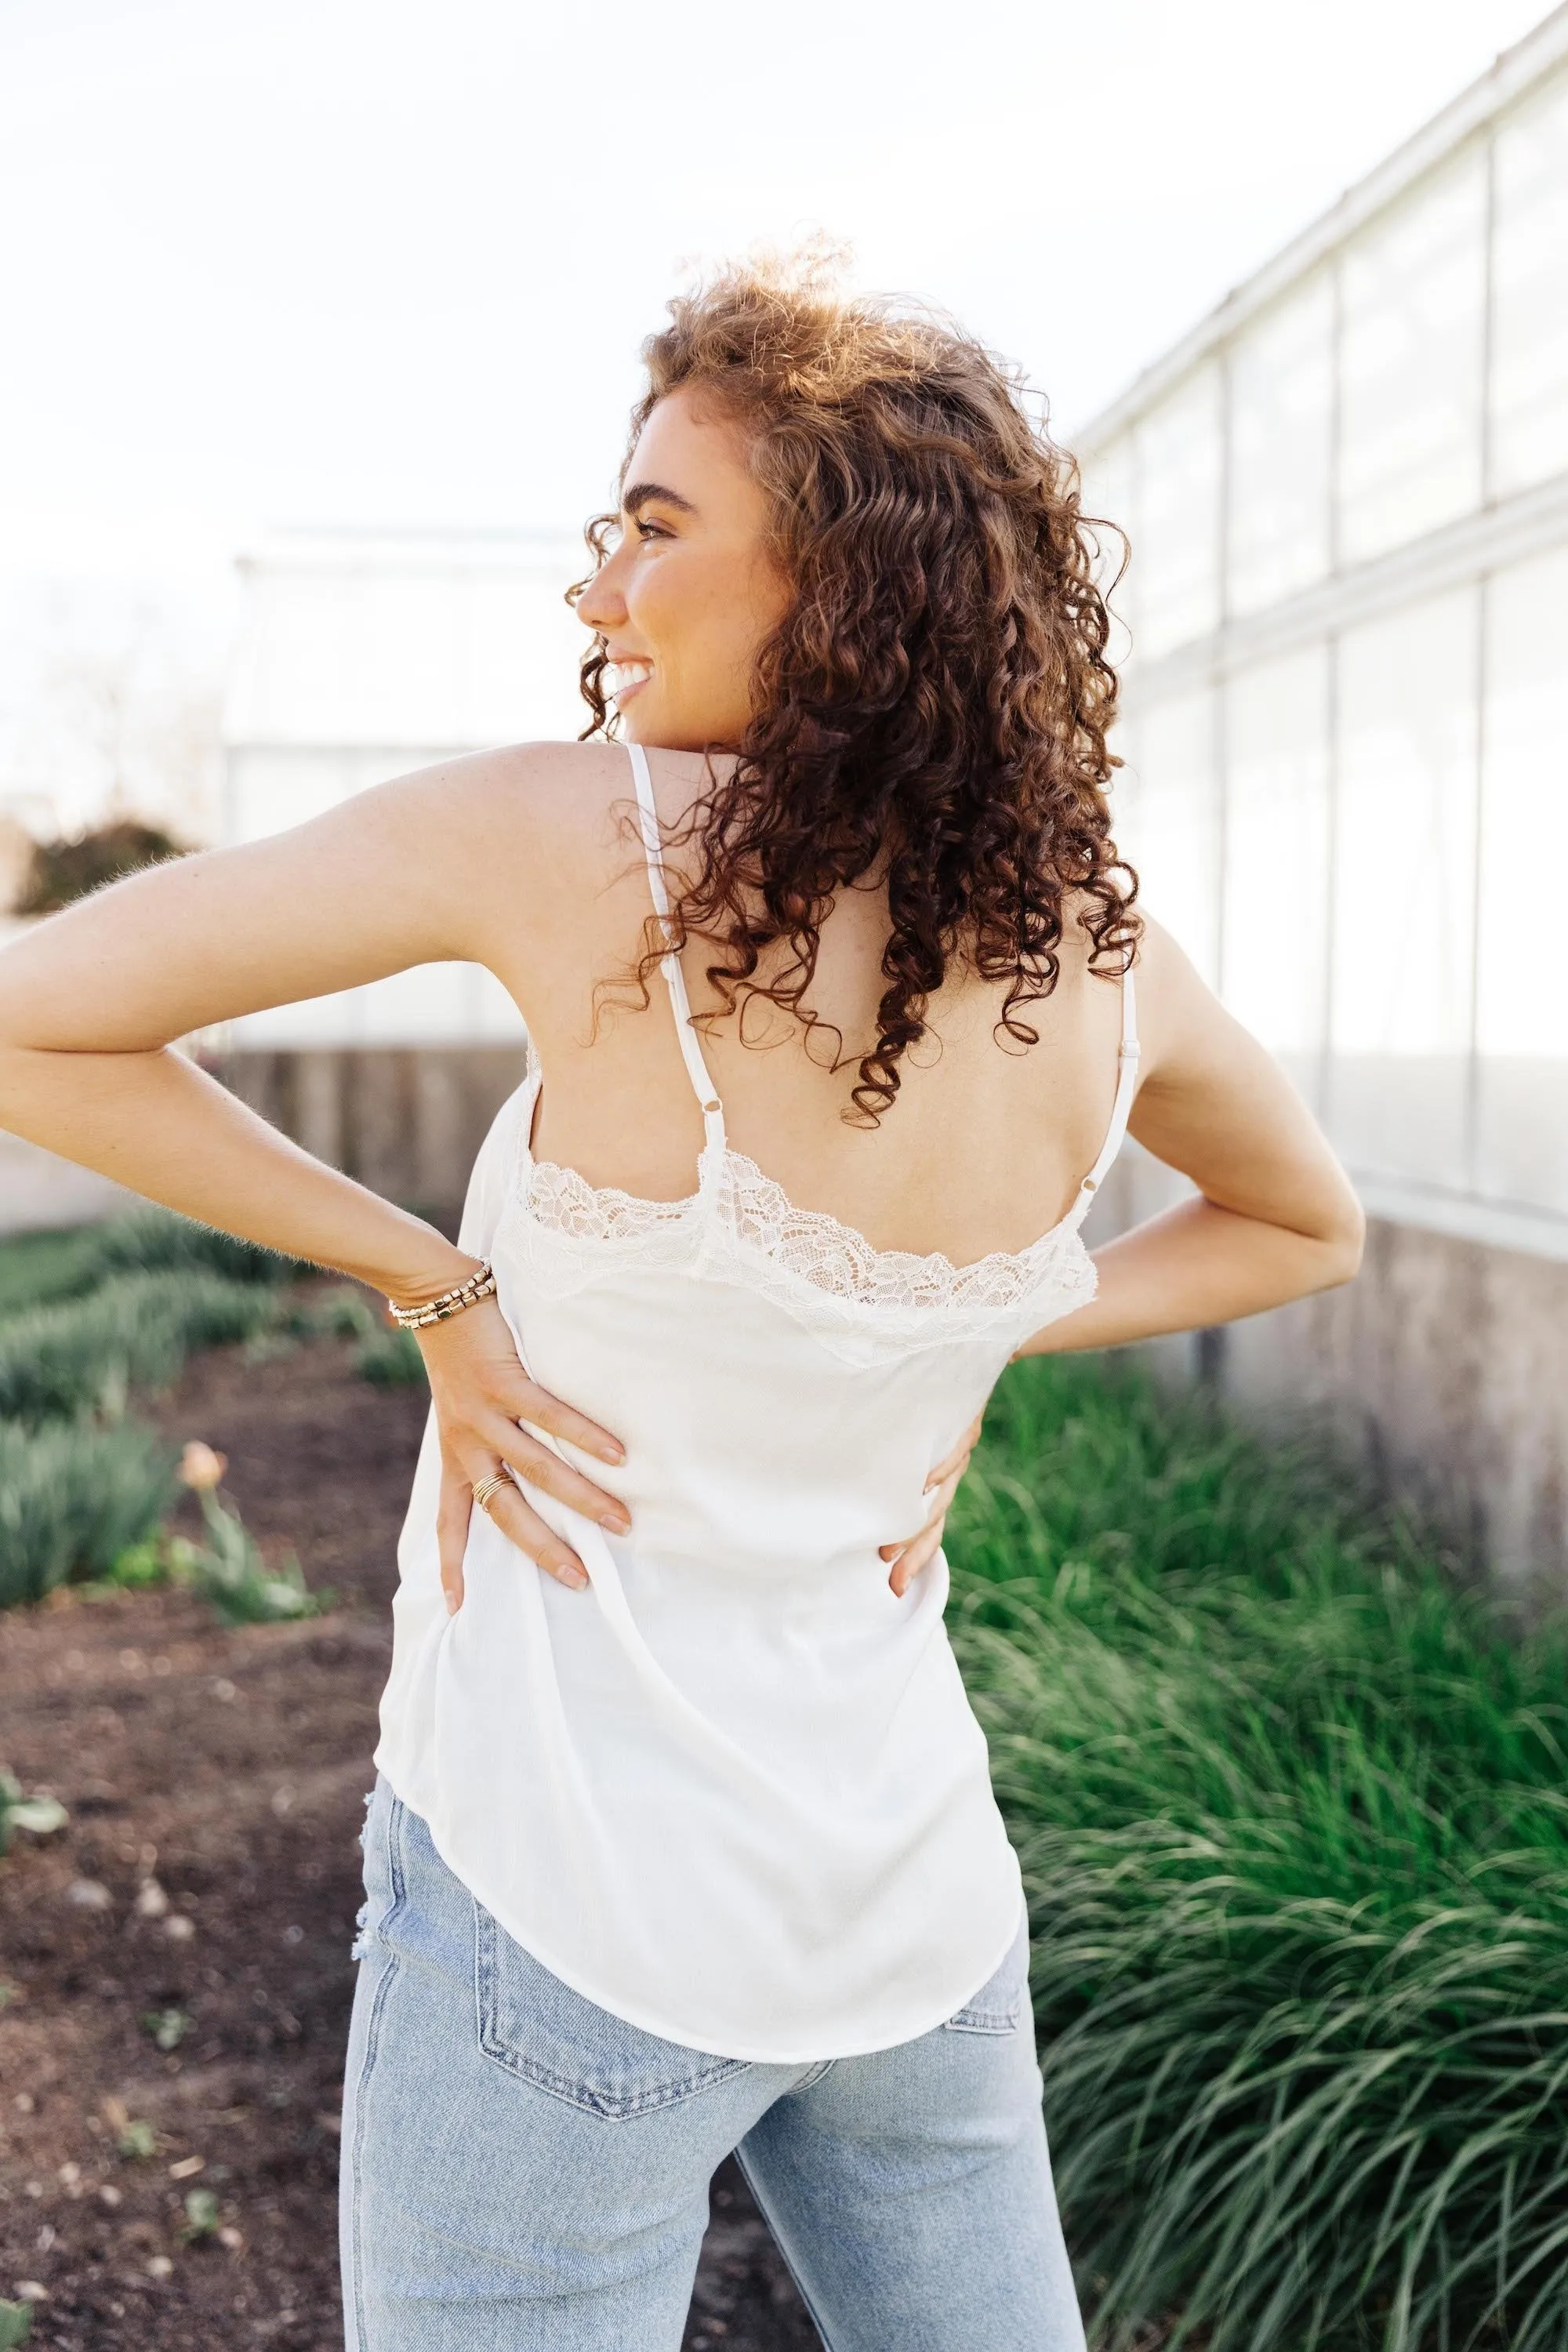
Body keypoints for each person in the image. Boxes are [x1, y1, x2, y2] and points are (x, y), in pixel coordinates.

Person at [0, 262, 1363, 2352]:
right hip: (909, 1912)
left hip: (563, 1921)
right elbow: (1302, 1226)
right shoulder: (1095, 951)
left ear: (840, 581)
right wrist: (986, 1318)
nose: (598, 592)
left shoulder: (577, 841)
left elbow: (31, 1027)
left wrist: (429, 1281)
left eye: (655, 527)